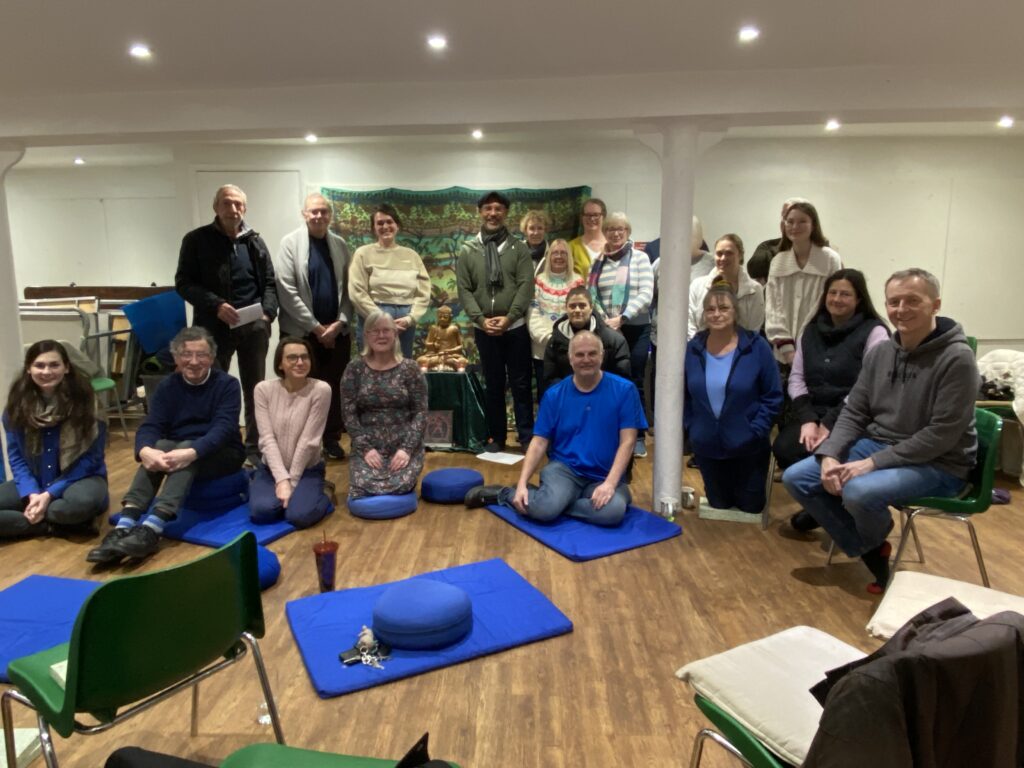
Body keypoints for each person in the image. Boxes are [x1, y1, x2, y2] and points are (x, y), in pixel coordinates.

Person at [782, 269, 979, 593]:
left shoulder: (957, 359)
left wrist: (871, 464)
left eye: (912, 300)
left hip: (939, 462)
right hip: (879, 443)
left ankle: (870, 548)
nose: (901, 309)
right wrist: (830, 454)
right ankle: (872, 546)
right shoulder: (881, 352)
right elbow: (855, 410)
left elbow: (941, 435)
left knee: (858, 492)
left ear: (935, 304)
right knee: (797, 477)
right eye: (894, 301)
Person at [87, 327, 244, 564]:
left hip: (223, 452)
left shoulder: (227, 385)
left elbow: (224, 429)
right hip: (177, 447)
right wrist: (145, 450)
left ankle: (152, 527)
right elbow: (151, 424)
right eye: (186, 354)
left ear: (211, 358)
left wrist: (191, 452)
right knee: (159, 444)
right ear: (176, 358)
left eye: (201, 355)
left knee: (183, 448)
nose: (194, 361)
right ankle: (124, 525)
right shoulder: (167, 386)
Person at [465, 331, 647, 526]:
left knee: (613, 512)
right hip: (565, 471)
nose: (586, 359)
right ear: (570, 359)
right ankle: (503, 494)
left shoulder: (625, 390)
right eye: (580, 354)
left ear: (602, 356)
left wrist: (610, 484)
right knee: (545, 509)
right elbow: (539, 442)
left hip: (604, 475)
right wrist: (522, 483)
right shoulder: (554, 395)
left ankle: (555, 503)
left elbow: (628, 442)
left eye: (592, 353)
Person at [773, 269, 890, 532]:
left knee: (833, 450)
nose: (837, 299)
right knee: (786, 447)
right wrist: (808, 420)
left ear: (859, 299)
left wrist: (828, 423)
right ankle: (821, 505)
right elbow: (797, 378)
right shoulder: (810, 330)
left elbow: (867, 386)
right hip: (813, 411)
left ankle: (830, 507)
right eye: (832, 293)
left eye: (845, 294)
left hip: (855, 416)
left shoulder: (875, 332)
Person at [175, 184, 277, 466]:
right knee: (215, 388)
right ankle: (222, 446)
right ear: (216, 207)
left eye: (238, 204)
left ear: (245, 208)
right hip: (212, 328)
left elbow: (270, 282)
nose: (233, 209)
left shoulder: (255, 241)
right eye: (227, 203)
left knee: (256, 389)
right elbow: (183, 283)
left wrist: (267, 316)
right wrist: (216, 305)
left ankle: (254, 449)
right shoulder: (196, 240)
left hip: (253, 328)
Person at [685, 285, 783, 513]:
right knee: (719, 504)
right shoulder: (693, 349)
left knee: (751, 506)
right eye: (710, 309)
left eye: (723, 308)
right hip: (707, 445)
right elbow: (683, 395)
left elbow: (773, 395)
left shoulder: (757, 347)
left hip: (749, 445)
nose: (716, 314)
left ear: (736, 312)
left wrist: (756, 430)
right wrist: (692, 427)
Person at [0, 340, 107, 538]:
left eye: (54, 365)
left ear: (66, 367)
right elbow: (16, 457)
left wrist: (49, 494)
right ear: (28, 369)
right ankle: (48, 526)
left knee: (79, 505)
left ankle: (37, 515)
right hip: (35, 480)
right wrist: (32, 493)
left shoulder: (87, 403)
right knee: (57, 510)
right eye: (39, 365)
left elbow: (93, 458)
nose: (46, 371)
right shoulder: (15, 407)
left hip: (80, 479)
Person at [276, 192, 353, 461]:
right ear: (304, 214)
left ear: (330, 215)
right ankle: (299, 441)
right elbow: (286, 290)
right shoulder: (289, 244)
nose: (319, 216)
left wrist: (340, 323)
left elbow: (349, 290)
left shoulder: (340, 245)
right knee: (300, 387)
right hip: (300, 334)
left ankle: (331, 438)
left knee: (333, 387)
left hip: (336, 333)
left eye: (323, 211)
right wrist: (316, 328)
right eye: (313, 211)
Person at [455, 191, 535, 451]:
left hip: (515, 328)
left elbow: (526, 286)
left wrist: (510, 317)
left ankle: (526, 437)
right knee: (494, 384)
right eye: (488, 208)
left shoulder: (519, 248)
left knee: (521, 384)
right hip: (484, 330)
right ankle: (497, 437)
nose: (493, 213)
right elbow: (464, 289)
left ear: (506, 213)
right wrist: (480, 319)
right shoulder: (468, 250)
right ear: (480, 212)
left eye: (498, 209)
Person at [341, 310, 427, 499]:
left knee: (402, 484)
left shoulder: (411, 369)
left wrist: (406, 449)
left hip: (403, 444)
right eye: (375, 331)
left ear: (395, 334)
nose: (381, 335)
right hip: (368, 445)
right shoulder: (354, 369)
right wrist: (366, 449)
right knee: (363, 483)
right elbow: (349, 414)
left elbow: (420, 413)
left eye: (386, 330)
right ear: (366, 335)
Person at [588, 211, 654, 457]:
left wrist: (622, 318)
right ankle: (612, 434)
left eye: (620, 229)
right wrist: (605, 321)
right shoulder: (597, 261)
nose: (615, 233)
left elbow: (646, 293)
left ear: (628, 232)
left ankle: (637, 437)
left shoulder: (640, 258)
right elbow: (591, 295)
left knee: (633, 382)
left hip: (635, 328)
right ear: (604, 232)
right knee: (608, 381)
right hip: (606, 330)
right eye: (611, 229)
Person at [250, 337, 333, 528]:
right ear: (280, 363)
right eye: (292, 357)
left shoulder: (321, 389)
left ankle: (326, 491)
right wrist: (281, 480)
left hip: (307, 469)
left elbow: (309, 441)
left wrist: (291, 483)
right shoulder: (263, 390)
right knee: (261, 512)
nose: (300, 362)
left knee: (299, 516)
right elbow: (267, 439)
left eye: (305, 357)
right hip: (270, 469)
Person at [349, 203, 431, 359]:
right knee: (372, 366)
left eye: (389, 222)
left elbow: (423, 292)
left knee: (402, 366)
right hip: (373, 319)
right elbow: (356, 292)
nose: (385, 226)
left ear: (397, 225)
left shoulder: (412, 256)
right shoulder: (363, 254)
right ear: (373, 228)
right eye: (380, 223)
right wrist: (381, 319)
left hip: (404, 323)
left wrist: (410, 318)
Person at [764, 201, 842, 364]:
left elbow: (832, 304)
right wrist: (788, 350)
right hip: (783, 355)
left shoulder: (830, 259)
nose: (795, 226)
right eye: (790, 221)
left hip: (820, 350)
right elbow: (773, 309)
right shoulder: (778, 261)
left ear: (814, 225)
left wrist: (808, 345)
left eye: (802, 221)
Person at [528, 239, 584, 399]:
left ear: (569, 257)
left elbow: (581, 314)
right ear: (548, 256)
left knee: (572, 395)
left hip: (570, 350)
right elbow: (532, 315)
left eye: (563, 253)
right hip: (543, 351)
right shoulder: (538, 282)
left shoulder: (578, 282)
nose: (559, 256)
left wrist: (566, 341)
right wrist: (549, 339)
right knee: (547, 396)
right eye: (555, 253)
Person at [543, 285, 630, 386]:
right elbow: (551, 379)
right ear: (566, 308)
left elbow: (621, 381)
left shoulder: (614, 341)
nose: (577, 310)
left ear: (591, 308)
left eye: (582, 305)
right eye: (572, 306)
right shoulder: (554, 343)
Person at [687, 234, 765, 339]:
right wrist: (699, 346)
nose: (723, 258)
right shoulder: (697, 286)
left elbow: (753, 329)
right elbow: (690, 324)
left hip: (743, 347)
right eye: (719, 254)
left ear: (740, 256)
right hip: (701, 346)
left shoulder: (755, 290)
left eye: (729, 253)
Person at [746, 198, 809, 284]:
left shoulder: (821, 248)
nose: (784, 222)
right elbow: (754, 269)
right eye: (784, 217)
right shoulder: (768, 246)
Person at [416, 306, 468, 371]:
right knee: (421, 360)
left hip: (450, 356)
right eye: (440, 317)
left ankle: (455, 367)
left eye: (445, 317)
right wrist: (434, 344)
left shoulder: (454, 329)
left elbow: (460, 346)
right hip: (436, 355)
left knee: (462, 361)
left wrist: (449, 351)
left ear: (450, 317)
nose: (442, 319)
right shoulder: (434, 329)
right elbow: (427, 343)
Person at [568, 198, 606, 281]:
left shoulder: (612, 245)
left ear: (603, 216)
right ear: (582, 218)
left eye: (596, 215)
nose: (592, 218)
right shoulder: (571, 247)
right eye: (588, 215)